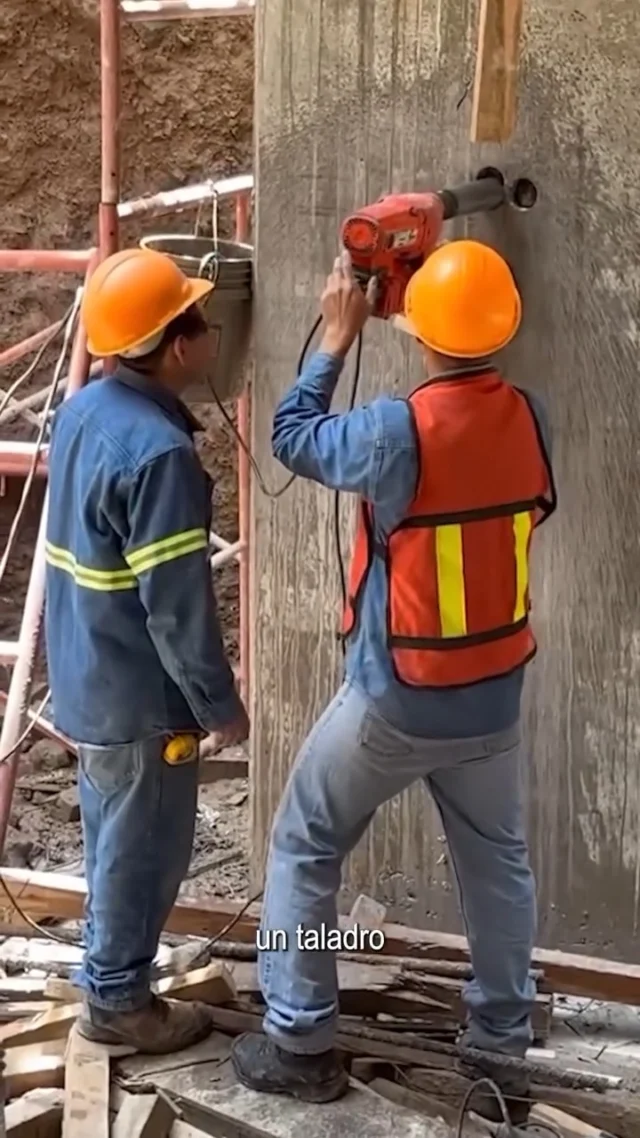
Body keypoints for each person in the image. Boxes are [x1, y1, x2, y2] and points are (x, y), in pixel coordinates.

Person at [231, 242, 556, 1122]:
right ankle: (499, 1052)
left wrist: (335, 337)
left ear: (415, 326)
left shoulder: (394, 430)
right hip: (493, 693)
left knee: (305, 844)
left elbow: (293, 439)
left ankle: (299, 1039)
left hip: (393, 697)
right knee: (499, 868)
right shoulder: (530, 417)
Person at [45, 247, 249, 1054]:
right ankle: (121, 1002)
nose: (210, 339)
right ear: (176, 346)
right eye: (200, 324)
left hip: (89, 674)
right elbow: (176, 609)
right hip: (139, 697)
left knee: (111, 835)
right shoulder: (160, 455)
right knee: (144, 848)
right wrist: (218, 706)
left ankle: (110, 973)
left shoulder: (86, 410)